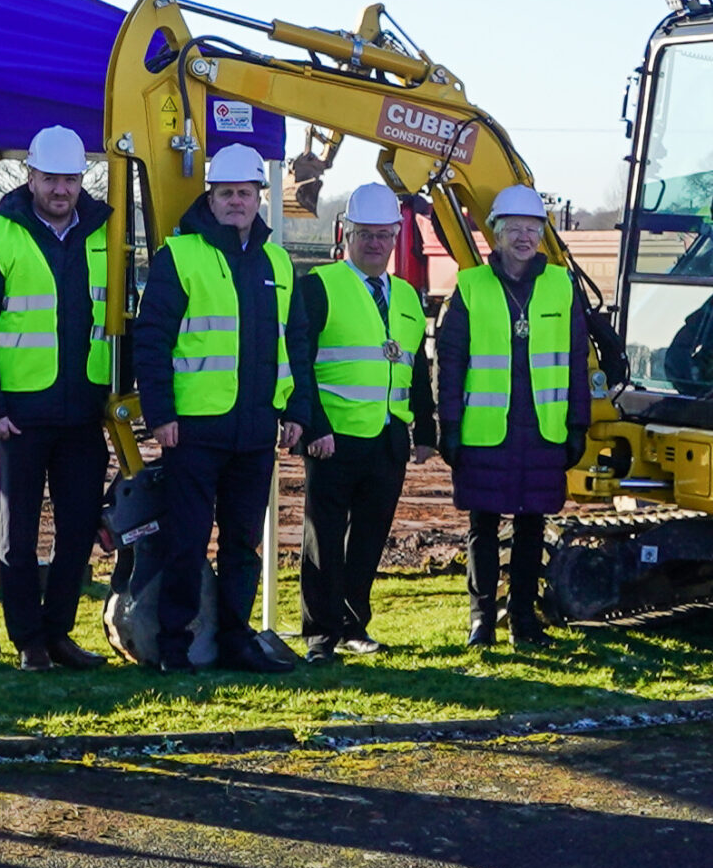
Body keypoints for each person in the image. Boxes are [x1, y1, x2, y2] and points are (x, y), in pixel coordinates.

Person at [130, 143, 302, 673]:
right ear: (211, 196)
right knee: (186, 540)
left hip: (255, 430)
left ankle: (234, 639)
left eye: (245, 193)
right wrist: (161, 415)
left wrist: (297, 411)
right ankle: (175, 644)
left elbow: (294, 344)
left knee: (243, 544)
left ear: (259, 198)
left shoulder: (277, 262)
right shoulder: (179, 256)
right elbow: (152, 340)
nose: (236, 202)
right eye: (226, 193)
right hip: (195, 429)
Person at [0, 125, 113, 672]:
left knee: (76, 532)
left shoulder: (104, 234)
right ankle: (29, 643)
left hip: (84, 414)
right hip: (18, 416)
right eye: (51, 179)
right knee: (17, 537)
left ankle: (59, 634)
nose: (61, 190)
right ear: (31, 177)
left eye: (70, 179)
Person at [286, 182, 437, 664]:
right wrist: (312, 426)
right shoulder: (319, 287)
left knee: (369, 538)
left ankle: (354, 625)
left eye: (384, 236)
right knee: (323, 539)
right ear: (345, 234)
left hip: (388, 436)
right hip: (334, 437)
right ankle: (320, 635)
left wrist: (425, 431)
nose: (375, 244)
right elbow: (300, 364)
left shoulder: (409, 297)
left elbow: (416, 369)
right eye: (365, 234)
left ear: (396, 236)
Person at [438, 185, 592, 649]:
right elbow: (449, 365)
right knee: (482, 528)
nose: (524, 237)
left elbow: (576, 361)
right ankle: (482, 620)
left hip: (544, 430)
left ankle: (523, 619)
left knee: (531, 527)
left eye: (533, 229)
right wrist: (450, 427)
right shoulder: (470, 288)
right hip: (485, 433)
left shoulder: (560, 286)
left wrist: (577, 425)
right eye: (514, 229)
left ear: (542, 235)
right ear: (496, 234)